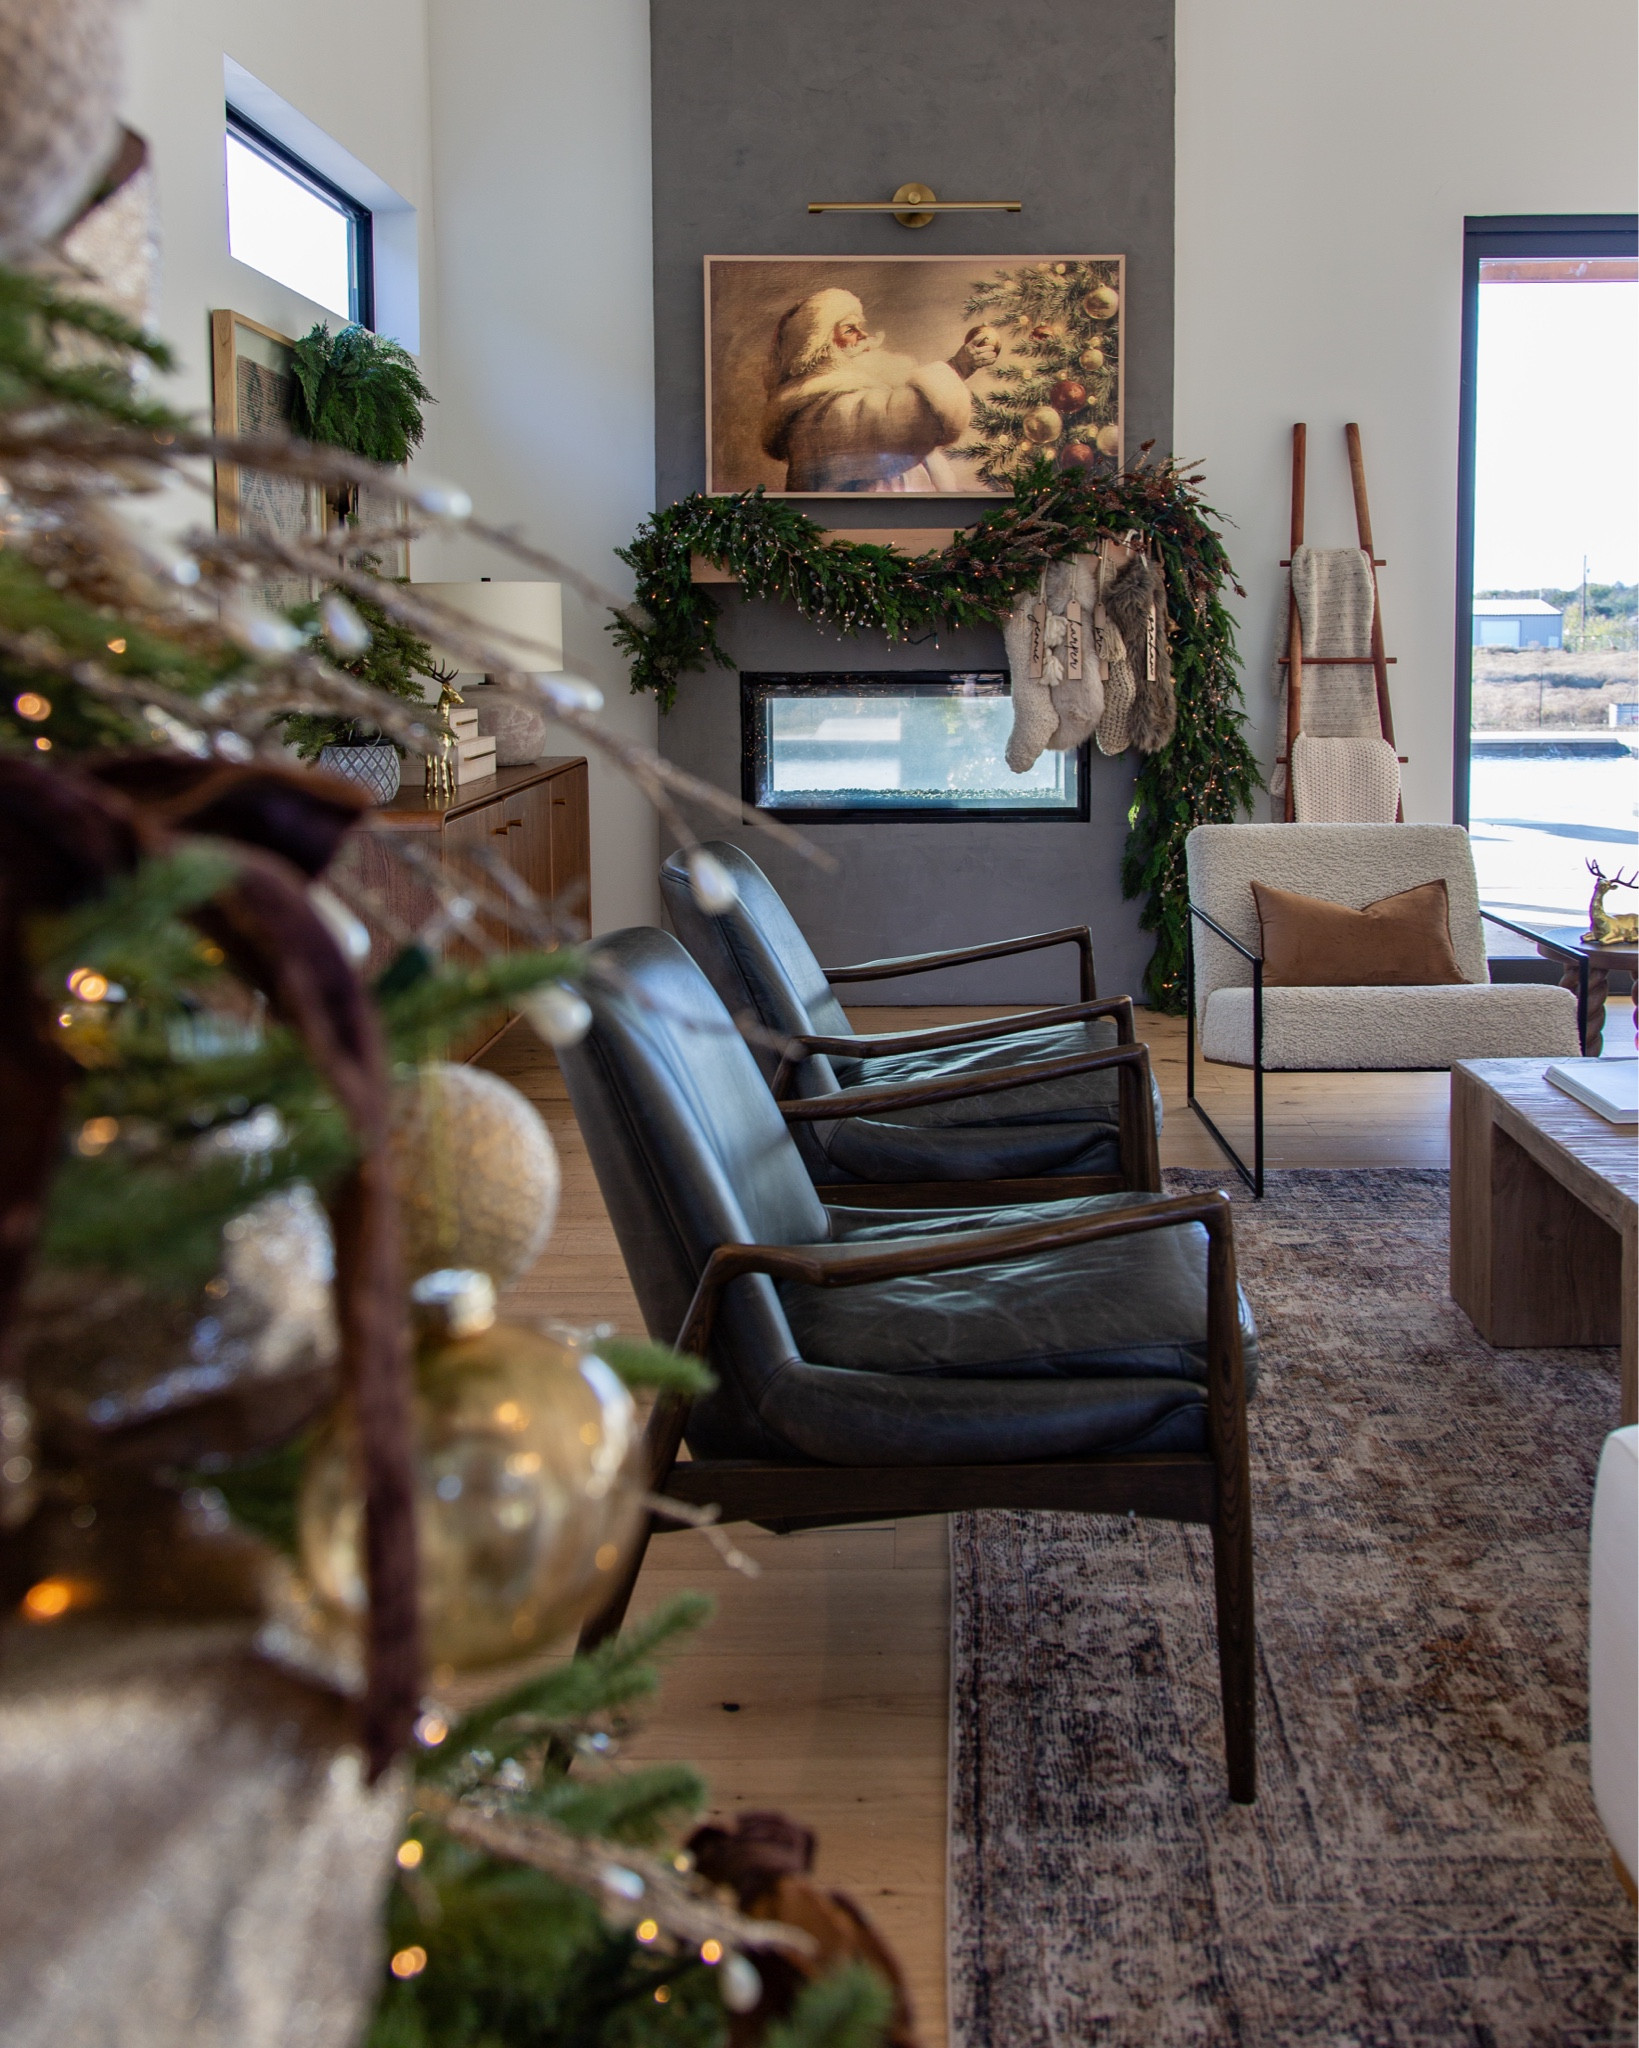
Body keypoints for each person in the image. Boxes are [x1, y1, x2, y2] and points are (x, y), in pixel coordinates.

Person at [759, 287, 1000, 493]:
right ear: (823, 346)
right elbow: (912, 420)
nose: (864, 335)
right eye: (849, 329)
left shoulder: (842, 393)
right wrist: (958, 367)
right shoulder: (823, 409)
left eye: (859, 326)